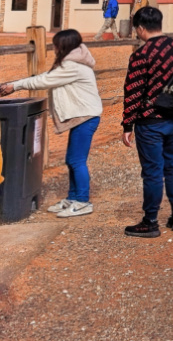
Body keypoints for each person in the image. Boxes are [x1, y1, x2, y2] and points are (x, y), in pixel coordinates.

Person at [0, 29, 103, 218]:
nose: (54, 48)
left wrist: (14, 85)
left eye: (56, 45)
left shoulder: (73, 65)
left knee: (77, 160)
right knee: (72, 159)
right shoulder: (73, 61)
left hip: (86, 117)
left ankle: (82, 201)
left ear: (64, 46)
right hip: (83, 116)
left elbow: (44, 80)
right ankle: (73, 198)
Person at [121, 7, 173, 239]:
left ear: (140, 28)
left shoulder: (141, 55)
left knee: (152, 171)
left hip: (150, 120)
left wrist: (127, 125)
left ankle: (150, 221)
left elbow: (133, 91)